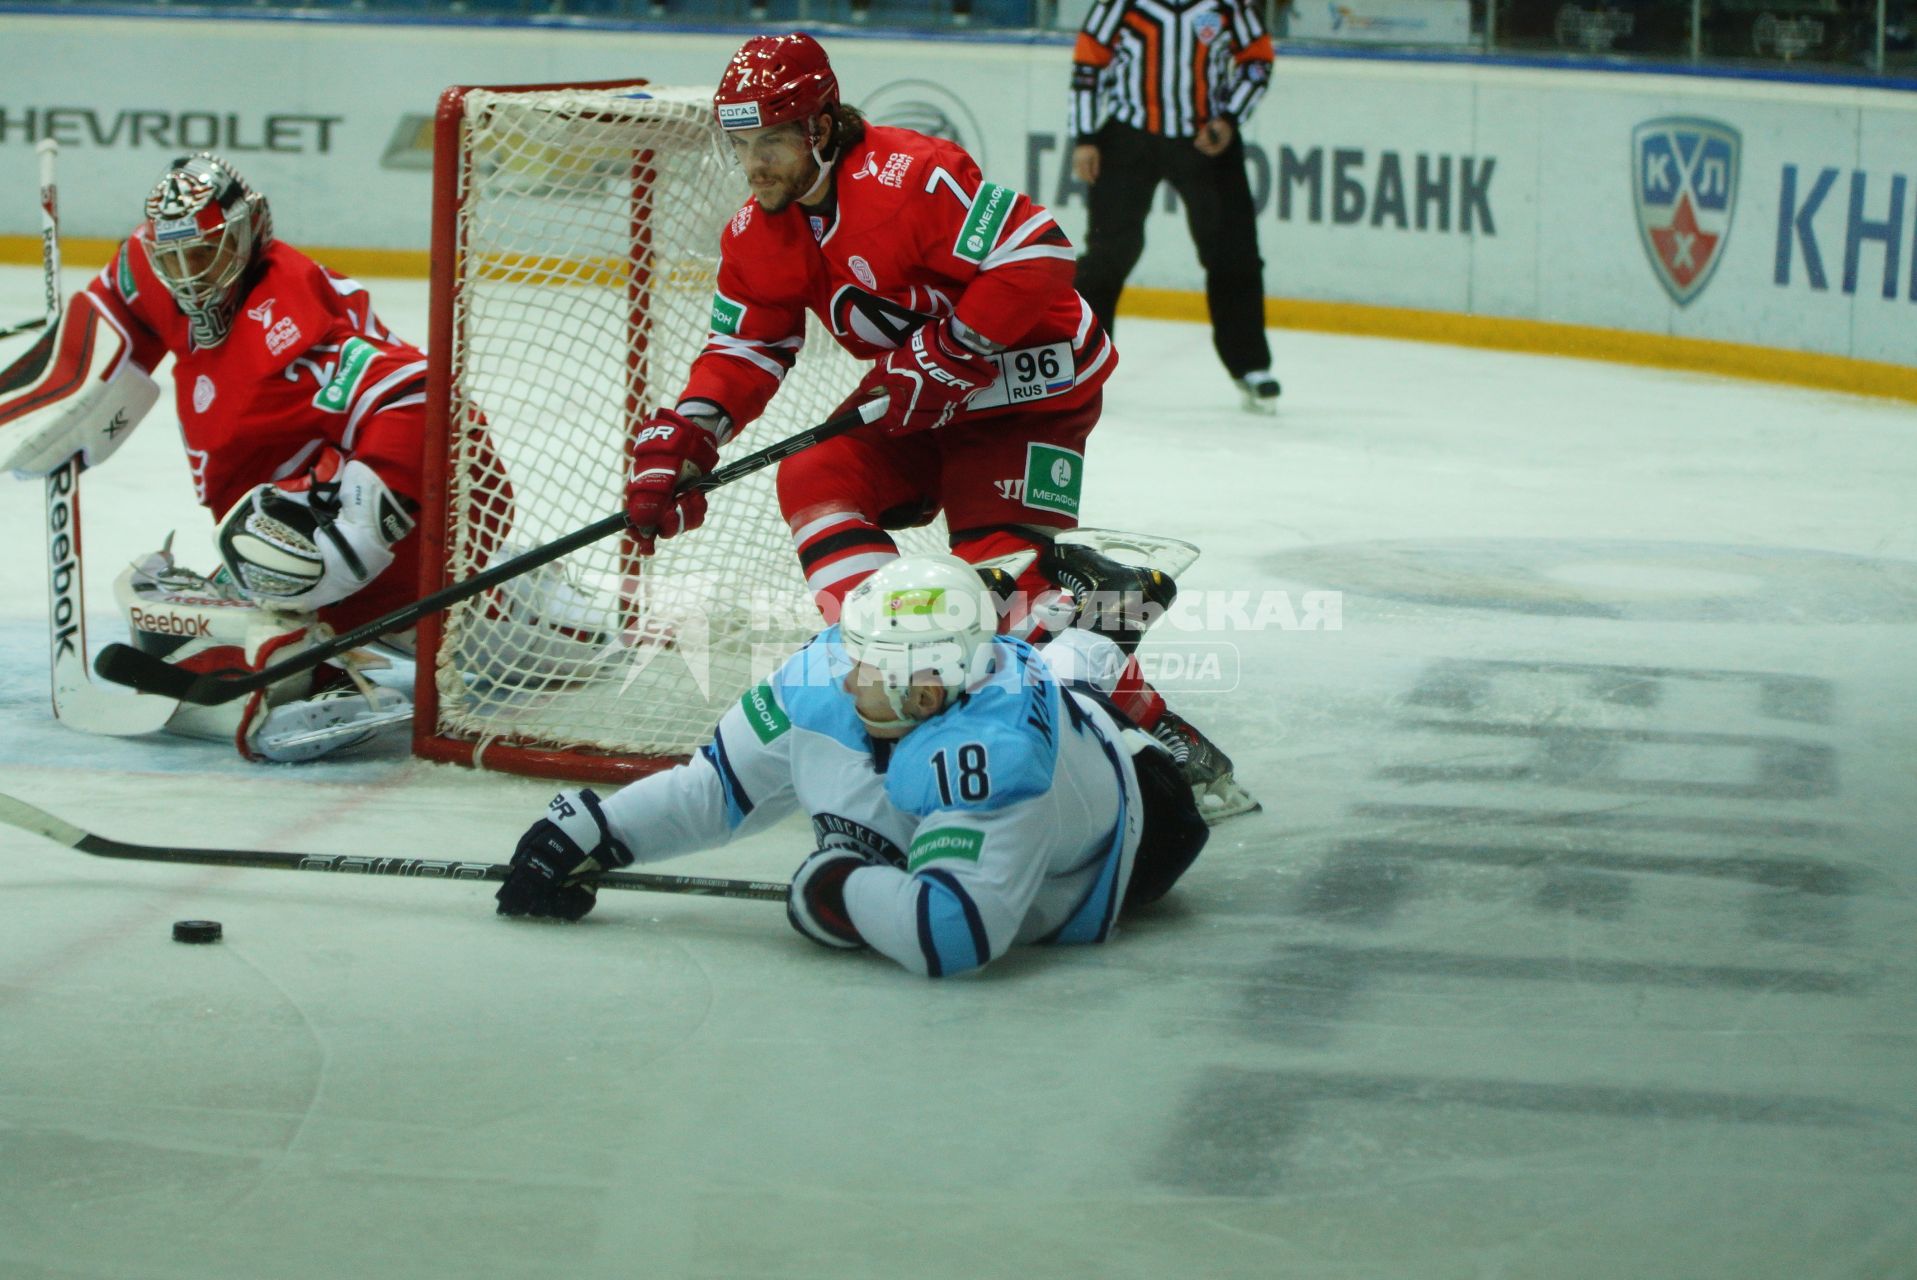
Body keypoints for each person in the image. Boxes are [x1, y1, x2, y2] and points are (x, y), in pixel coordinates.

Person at [625, 32, 1254, 814]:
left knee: (1003, 596)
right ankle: (884, 659)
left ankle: (1160, 728)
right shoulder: (761, 230)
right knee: (816, 474)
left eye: (772, 142)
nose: (754, 166)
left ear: (819, 128)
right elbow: (746, 344)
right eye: (741, 144)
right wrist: (686, 440)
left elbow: (1038, 251)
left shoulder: (910, 175)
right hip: (922, 395)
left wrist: (954, 348)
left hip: (1028, 388)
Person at [495, 553, 1210, 977]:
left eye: (866, 665)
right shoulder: (837, 676)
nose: (844, 675)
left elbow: (954, 933)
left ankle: (1114, 615)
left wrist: (832, 888)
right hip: (1014, 695)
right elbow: (717, 787)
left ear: (923, 688)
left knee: (1067, 692)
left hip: (1139, 810)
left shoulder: (993, 765)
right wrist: (595, 830)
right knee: (1050, 677)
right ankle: (1094, 613)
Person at [0, 153, 438, 760]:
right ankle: (312, 642)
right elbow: (121, 305)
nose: (188, 276)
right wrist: (64, 387)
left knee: (267, 574)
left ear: (250, 228)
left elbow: (418, 390)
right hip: (282, 514)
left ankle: (388, 629)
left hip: (403, 546)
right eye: (172, 258)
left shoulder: (288, 320)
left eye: (203, 254)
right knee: (166, 618)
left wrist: (360, 527)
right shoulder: (159, 269)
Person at [1068, 0, 1281, 414]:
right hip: (1129, 137)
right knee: (1109, 253)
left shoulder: (1229, 4)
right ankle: (1080, 364)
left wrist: (1230, 117)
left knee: (1233, 252)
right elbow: (1088, 61)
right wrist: (1085, 136)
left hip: (1206, 140)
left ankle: (1250, 364)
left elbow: (1257, 61)